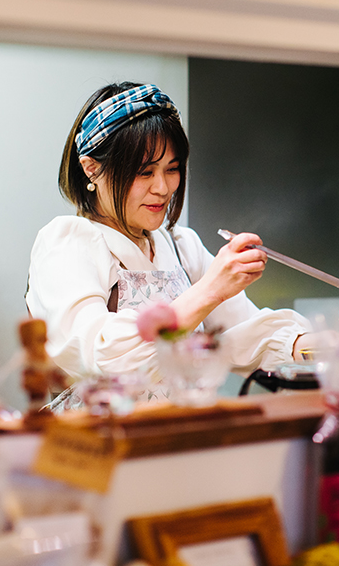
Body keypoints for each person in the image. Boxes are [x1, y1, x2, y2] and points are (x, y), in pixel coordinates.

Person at [26, 81, 311, 385]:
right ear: (91, 168)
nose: (163, 188)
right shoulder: (68, 244)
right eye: (144, 172)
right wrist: (210, 290)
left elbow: (244, 333)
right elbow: (101, 356)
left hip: (177, 428)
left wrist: (306, 344)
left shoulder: (180, 247)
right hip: (102, 431)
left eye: (172, 169)